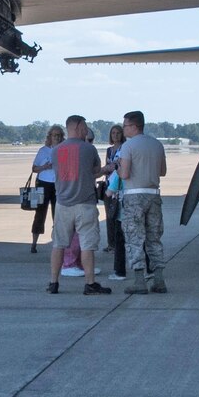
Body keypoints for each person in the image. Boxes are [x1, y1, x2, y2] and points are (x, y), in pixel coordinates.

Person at [48, 115, 109, 296]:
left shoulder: (56, 151)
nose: (86, 130)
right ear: (78, 127)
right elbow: (96, 171)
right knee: (87, 245)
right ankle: (90, 283)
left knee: (58, 244)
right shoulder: (89, 149)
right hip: (85, 204)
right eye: (84, 127)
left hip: (63, 204)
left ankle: (53, 283)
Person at [116, 109, 169, 294]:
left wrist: (117, 168)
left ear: (133, 126)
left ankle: (139, 281)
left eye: (125, 126)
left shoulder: (128, 147)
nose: (124, 130)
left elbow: (124, 174)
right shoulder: (157, 145)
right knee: (154, 237)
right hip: (154, 195)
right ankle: (159, 279)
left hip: (134, 196)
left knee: (134, 238)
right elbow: (162, 171)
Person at [100, 123, 127, 281]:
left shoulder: (124, 148)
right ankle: (111, 243)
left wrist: (112, 167)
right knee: (109, 215)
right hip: (109, 183)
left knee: (118, 216)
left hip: (119, 185)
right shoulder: (110, 150)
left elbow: (118, 165)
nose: (115, 135)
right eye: (113, 133)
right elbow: (107, 166)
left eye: (118, 132)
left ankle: (117, 244)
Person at [27, 126, 60, 252]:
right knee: (40, 213)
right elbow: (34, 168)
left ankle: (57, 242)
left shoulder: (63, 150)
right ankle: (34, 242)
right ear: (49, 137)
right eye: (54, 135)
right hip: (43, 184)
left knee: (57, 214)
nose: (56, 137)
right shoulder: (43, 151)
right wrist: (45, 167)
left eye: (58, 135)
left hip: (58, 184)